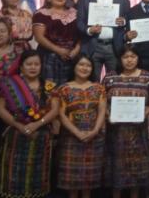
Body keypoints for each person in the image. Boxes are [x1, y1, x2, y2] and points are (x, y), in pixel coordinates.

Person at [0, 50, 60, 198]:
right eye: (29, 64)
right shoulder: (9, 84)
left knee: (38, 175)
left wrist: (37, 125)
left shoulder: (49, 86)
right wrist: (21, 127)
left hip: (41, 137)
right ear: (21, 67)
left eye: (36, 64)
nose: (33, 67)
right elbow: (0, 110)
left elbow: (55, 110)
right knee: (13, 173)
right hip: (16, 135)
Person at [103, 46, 149, 198]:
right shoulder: (110, 78)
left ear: (138, 58)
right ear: (120, 59)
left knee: (137, 169)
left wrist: (146, 111)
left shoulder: (147, 77)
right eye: (126, 57)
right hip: (116, 133)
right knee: (116, 170)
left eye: (133, 56)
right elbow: (101, 103)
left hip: (139, 132)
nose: (129, 60)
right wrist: (108, 114)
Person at [56, 55, 107, 198]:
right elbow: (61, 114)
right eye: (81, 65)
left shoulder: (99, 88)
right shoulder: (64, 89)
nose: (84, 68)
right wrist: (77, 133)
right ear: (74, 67)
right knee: (73, 180)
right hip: (71, 138)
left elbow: (102, 111)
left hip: (94, 137)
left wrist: (95, 130)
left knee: (88, 181)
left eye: (88, 66)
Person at [76, 0, 131, 81]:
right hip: (93, 46)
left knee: (115, 81)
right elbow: (79, 22)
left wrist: (124, 20)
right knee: (92, 82)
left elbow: (129, 16)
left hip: (114, 46)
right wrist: (89, 30)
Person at [33, 0, 80, 86]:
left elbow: (82, 35)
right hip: (48, 58)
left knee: (69, 89)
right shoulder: (41, 14)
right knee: (50, 90)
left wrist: (75, 51)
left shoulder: (75, 13)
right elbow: (39, 37)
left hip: (71, 57)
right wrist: (59, 51)